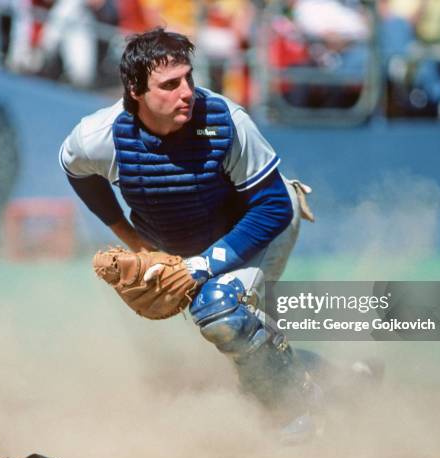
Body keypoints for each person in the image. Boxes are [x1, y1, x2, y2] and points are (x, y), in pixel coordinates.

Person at [59, 28, 319, 432]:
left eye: (188, 78)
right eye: (169, 84)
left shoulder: (221, 123)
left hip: (256, 227)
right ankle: (335, 380)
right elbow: (76, 170)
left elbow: (272, 207)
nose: (187, 92)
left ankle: (293, 417)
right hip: (184, 242)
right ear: (135, 88)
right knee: (231, 335)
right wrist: (131, 238)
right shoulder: (101, 135)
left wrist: (200, 267)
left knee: (221, 310)